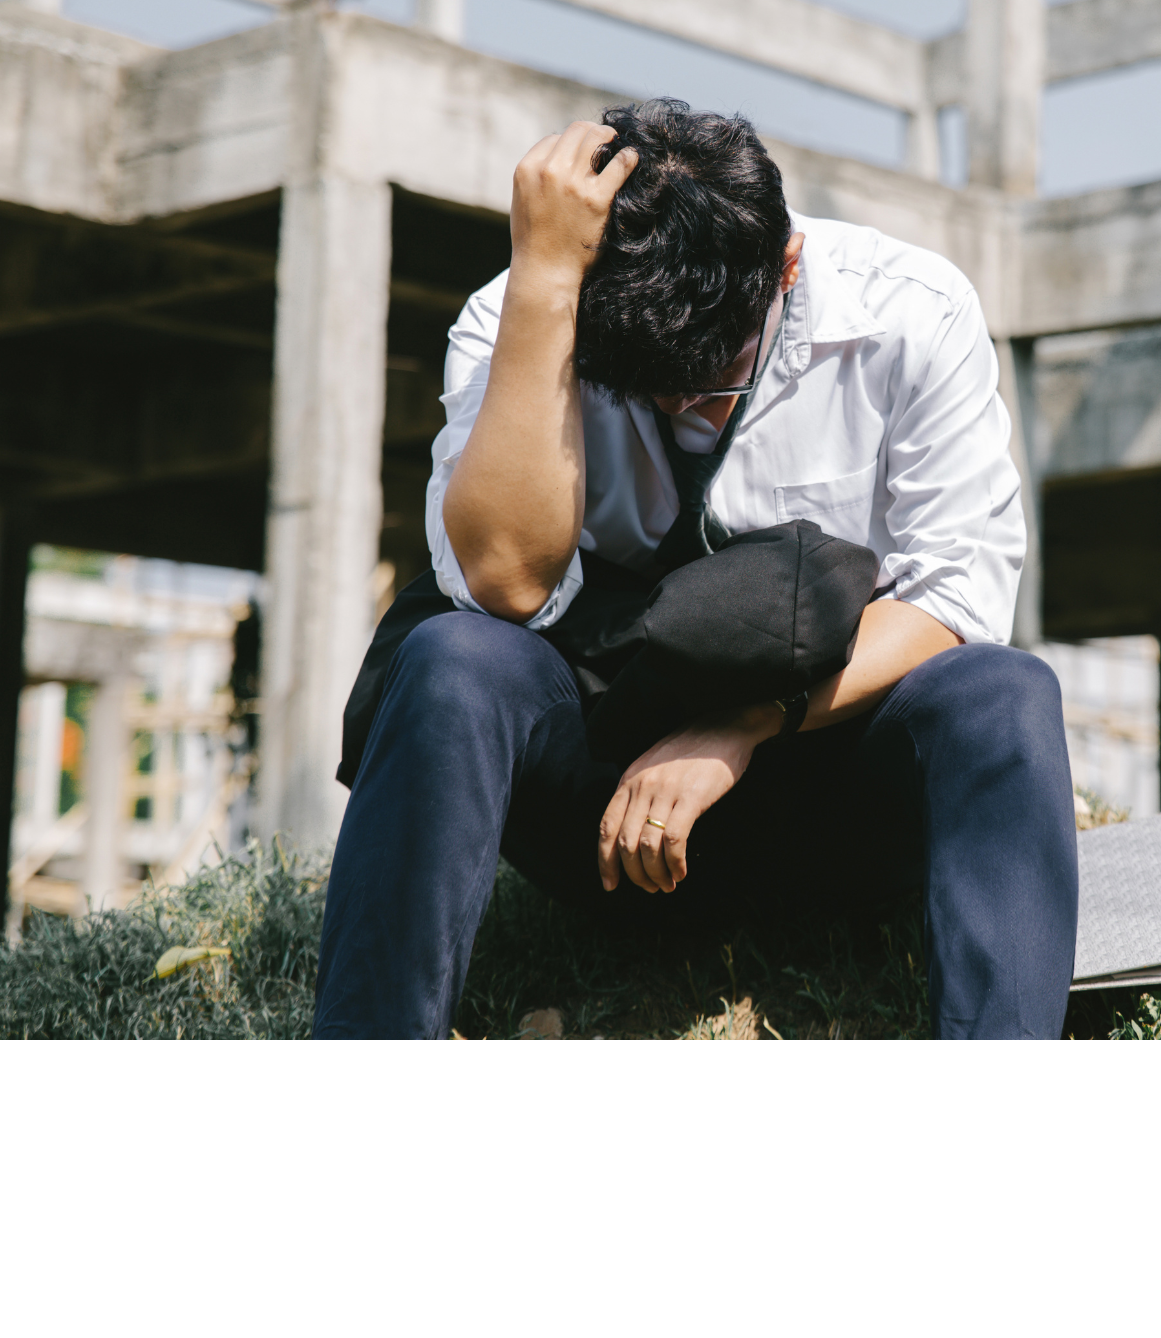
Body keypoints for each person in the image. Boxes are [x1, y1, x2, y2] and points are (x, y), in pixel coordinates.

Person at [312, 99, 1077, 1042]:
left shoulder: (912, 312)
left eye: (713, 379)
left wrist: (739, 725)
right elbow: (504, 582)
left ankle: (1002, 1104)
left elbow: (956, 592)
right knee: (449, 659)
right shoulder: (520, 311)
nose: (685, 411)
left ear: (786, 265)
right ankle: (361, 1090)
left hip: (829, 784)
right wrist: (546, 284)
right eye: (644, 387)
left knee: (1001, 691)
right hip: (607, 821)